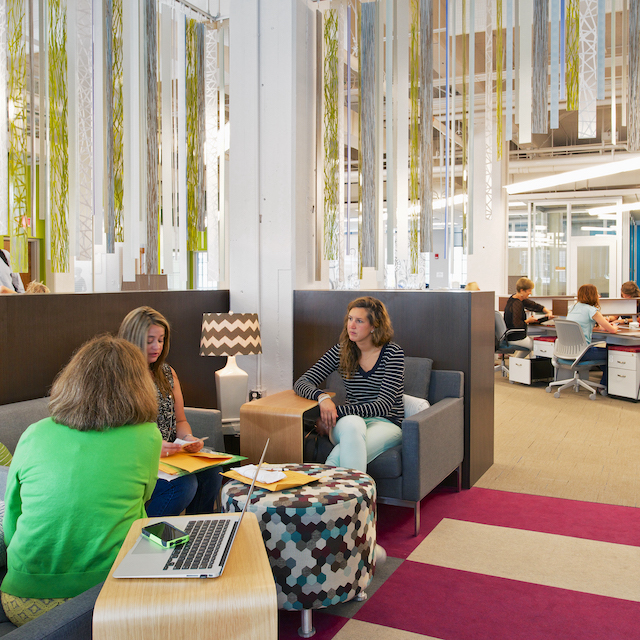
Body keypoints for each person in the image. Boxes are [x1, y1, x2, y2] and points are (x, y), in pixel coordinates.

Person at [1, 335, 161, 627]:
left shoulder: (34, 433)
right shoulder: (147, 436)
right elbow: (143, 500)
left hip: (20, 597)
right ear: (139, 386)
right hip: (104, 594)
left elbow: (12, 519)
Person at [119, 306, 221, 516]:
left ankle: (198, 533)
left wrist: (188, 438)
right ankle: (146, 536)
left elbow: (181, 421)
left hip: (169, 457)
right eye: (149, 341)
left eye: (161, 339)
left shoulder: (166, 372)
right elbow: (117, 432)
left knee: (213, 472)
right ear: (132, 339)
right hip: (136, 459)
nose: (156, 346)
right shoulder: (120, 378)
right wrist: (153, 448)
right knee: (184, 486)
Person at [294, 296, 404, 474]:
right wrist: (323, 399)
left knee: (337, 458)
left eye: (359, 321)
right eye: (350, 319)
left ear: (374, 326)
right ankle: (356, 499)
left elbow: (383, 406)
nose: (351, 325)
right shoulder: (341, 351)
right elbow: (302, 382)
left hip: (386, 423)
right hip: (350, 422)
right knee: (353, 426)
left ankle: (332, 489)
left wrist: (334, 413)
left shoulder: (392, 353)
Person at [566, 284, 619, 388]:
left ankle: (605, 385)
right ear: (593, 295)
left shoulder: (571, 308)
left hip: (568, 351)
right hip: (583, 353)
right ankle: (605, 386)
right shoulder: (592, 310)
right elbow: (612, 330)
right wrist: (615, 326)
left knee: (607, 353)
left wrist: (597, 328)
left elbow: (579, 326)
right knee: (612, 354)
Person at [503, 277, 553, 357]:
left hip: (510, 336)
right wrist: (528, 321)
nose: (530, 293)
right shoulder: (517, 304)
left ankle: (515, 364)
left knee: (529, 347)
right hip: (515, 337)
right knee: (539, 346)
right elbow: (517, 324)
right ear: (522, 290)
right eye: (529, 290)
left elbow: (533, 306)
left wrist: (548, 312)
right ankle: (533, 367)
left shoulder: (515, 299)